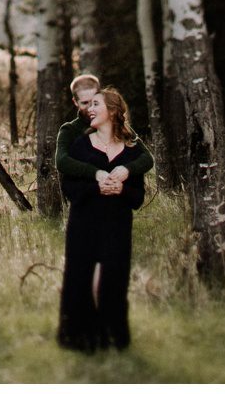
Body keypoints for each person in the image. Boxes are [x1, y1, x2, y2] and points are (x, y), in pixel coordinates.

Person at [55, 82, 152, 352]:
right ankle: (79, 340)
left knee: (113, 281)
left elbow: (137, 197)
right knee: (80, 279)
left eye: (95, 104)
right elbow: (68, 186)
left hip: (117, 226)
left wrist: (122, 185)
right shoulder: (79, 144)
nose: (90, 109)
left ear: (112, 111)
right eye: (86, 104)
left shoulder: (132, 150)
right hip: (84, 223)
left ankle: (114, 339)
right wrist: (96, 183)